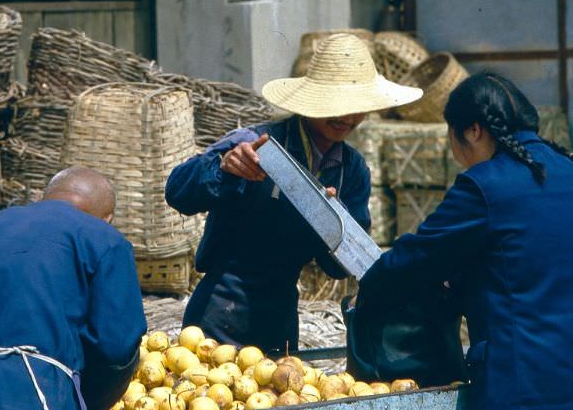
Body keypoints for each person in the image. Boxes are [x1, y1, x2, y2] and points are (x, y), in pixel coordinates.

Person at [165, 33, 422, 351]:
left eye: (357, 108)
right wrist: (223, 169)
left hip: (281, 319)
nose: (346, 117)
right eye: (335, 106)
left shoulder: (351, 171)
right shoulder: (256, 143)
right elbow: (177, 190)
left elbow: (340, 268)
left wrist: (332, 222)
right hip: (218, 313)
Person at [355, 72, 573, 410]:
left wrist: (369, 288)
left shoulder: (485, 186)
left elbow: (416, 257)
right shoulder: (567, 171)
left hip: (520, 387)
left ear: (473, 131)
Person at [0, 167, 147, 410]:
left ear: (43, 199)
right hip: (38, 394)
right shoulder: (106, 240)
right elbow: (116, 348)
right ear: (108, 219)